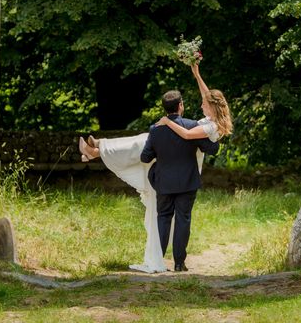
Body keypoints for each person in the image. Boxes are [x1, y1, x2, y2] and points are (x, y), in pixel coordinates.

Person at [78, 63, 232, 272]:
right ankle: (99, 148)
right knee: (141, 140)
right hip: (185, 171)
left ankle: (99, 149)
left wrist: (167, 123)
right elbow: (207, 94)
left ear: (213, 107)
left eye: (205, 104)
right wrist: (196, 73)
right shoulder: (211, 116)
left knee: (143, 141)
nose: (202, 104)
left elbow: (186, 135)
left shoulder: (210, 125)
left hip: (183, 159)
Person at [140, 89, 220, 272]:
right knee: (183, 220)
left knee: (163, 218)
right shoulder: (192, 126)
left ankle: (158, 261)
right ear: (180, 106)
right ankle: (178, 263)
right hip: (187, 181)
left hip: (163, 182)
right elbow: (211, 148)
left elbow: (145, 157)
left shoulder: (155, 129)